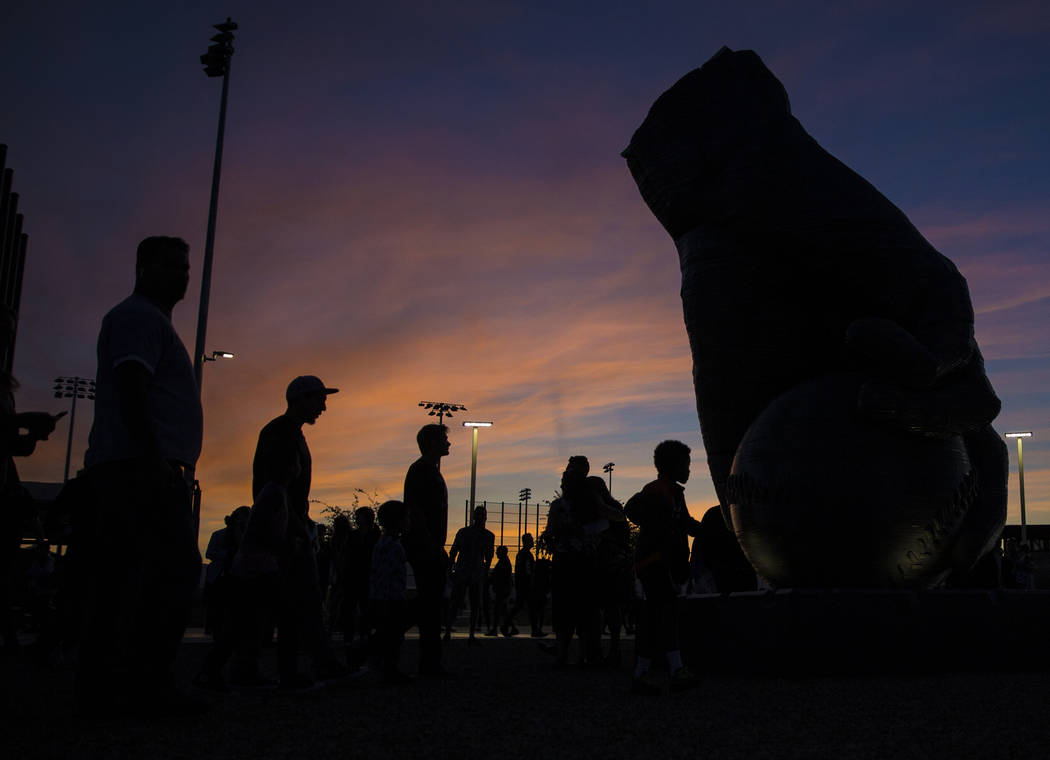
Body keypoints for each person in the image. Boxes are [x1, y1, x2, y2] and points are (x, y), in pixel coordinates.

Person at [76, 236, 205, 717]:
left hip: (140, 467)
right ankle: (142, 683)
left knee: (130, 578)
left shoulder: (150, 322)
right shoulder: (138, 319)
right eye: (172, 266)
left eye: (186, 267)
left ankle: (115, 686)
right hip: (138, 469)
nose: (183, 275)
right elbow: (132, 388)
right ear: (143, 267)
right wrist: (154, 460)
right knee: (163, 574)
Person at [253, 375, 347, 686]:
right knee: (300, 599)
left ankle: (290, 669)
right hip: (284, 529)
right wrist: (295, 527)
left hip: (287, 527)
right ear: (301, 399)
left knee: (288, 602)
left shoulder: (289, 433)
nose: (323, 407)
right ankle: (318, 666)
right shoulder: (282, 433)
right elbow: (277, 486)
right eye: (319, 399)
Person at [624, 440, 703, 695]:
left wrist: (707, 531)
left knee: (658, 617)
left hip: (656, 562)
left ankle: (646, 672)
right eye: (686, 465)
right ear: (673, 466)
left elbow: (685, 523)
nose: (690, 470)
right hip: (656, 562)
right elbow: (675, 526)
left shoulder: (671, 492)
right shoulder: (659, 492)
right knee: (664, 614)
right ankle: (672, 670)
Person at [402, 423, 451, 677]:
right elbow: (415, 510)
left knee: (428, 605)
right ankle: (428, 663)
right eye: (444, 439)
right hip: (425, 548)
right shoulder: (421, 470)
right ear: (432, 443)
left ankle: (429, 662)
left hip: (430, 547)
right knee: (428, 605)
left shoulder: (430, 471)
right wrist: (430, 545)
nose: (448, 443)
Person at [369, 500, 412, 683]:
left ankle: (383, 665)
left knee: (388, 633)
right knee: (393, 635)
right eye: (406, 518)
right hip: (390, 598)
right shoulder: (393, 546)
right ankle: (389, 668)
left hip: (381, 596)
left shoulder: (384, 543)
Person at [447, 505, 495, 644]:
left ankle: (469, 633)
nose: (480, 517)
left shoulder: (480, 535)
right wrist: (450, 569)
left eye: (481, 515)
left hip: (471, 571)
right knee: (458, 602)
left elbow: (488, 557)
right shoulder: (468, 533)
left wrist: (484, 572)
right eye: (478, 514)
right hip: (466, 571)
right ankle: (454, 631)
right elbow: (454, 552)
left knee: (472, 604)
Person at [203, 506, 251, 636]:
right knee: (216, 603)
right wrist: (227, 555)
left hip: (236, 574)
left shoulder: (245, 538)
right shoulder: (218, 535)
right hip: (219, 575)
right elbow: (209, 553)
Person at [508, 532, 535, 637]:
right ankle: (535, 629)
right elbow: (528, 571)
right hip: (525, 584)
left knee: (520, 606)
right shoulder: (527, 555)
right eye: (531, 540)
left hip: (521, 584)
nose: (533, 541)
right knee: (530, 607)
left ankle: (507, 623)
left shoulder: (521, 554)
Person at [491, 545, 514, 637]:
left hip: (502, 589)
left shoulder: (503, 563)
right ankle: (511, 627)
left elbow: (501, 577)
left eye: (498, 552)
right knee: (503, 610)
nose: (496, 553)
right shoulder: (504, 562)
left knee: (498, 610)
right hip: (503, 589)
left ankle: (495, 629)